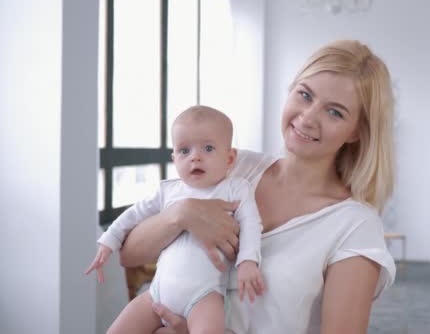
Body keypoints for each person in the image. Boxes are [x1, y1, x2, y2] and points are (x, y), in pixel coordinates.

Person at [119, 39, 397, 333]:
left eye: (335, 112)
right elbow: (129, 254)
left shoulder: (354, 225)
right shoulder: (232, 166)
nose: (308, 117)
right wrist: (182, 213)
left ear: (356, 132)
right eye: (305, 95)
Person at [85, 106, 265, 334]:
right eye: (184, 150)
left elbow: (251, 223)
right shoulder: (168, 191)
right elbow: (133, 215)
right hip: (157, 293)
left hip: (204, 297)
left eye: (208, 148)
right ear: (174, 158)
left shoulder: (236, 189)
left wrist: (248, 262)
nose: (195, 157)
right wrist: (107, 241)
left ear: (229, 158)